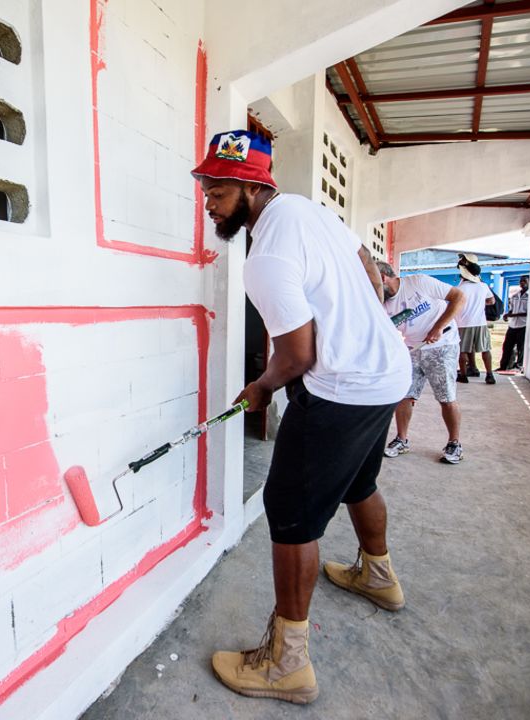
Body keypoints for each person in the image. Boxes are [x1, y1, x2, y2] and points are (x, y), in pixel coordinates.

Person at [191, 129, 411, 705]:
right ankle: (378, 576)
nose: (208, 198)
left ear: (250, 186)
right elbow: (370, 264)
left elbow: (298, 356)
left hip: (340, 388)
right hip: (386, 369)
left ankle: (286, 664)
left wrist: (260, 389)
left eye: (218, 187)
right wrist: (360, 318)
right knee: (360, 481)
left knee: (288, 511)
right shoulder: (308, 211)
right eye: (206, 185)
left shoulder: (264, 259)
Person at [377, 262, 466, 464]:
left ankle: (454, 443)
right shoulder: (381, 303)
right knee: (405, 395)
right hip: (412, 349)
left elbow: (459, 297)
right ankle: (402, 439)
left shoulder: (419, 282)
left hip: (442, 345)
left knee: (446, 397)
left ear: (383, 278)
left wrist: (438, 327)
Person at [455, 253, 496, 384]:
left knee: (462, 350)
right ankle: (490, 375)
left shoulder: (460, 289)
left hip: (463, 323)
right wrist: (478, 304)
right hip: (480, 322)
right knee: (485, 349)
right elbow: (491, 301)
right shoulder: (483, 286)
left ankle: (463, 375)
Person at [499, 275, 529, 372]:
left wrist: (515, 315)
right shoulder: (515, 296)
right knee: (507, 346)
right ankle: (504, 366)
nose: (522, 283)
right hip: (513, 325)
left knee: (521, 347)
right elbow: (512, 310)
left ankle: (519, 366)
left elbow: (529, 312)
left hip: (523, 325)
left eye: (524, 281)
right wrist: (507, 315)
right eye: (521, 281)